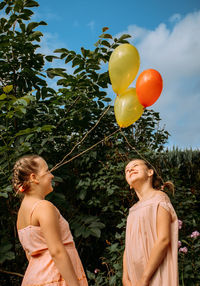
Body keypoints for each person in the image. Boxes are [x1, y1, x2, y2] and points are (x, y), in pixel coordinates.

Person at [13, 154, 88, 286]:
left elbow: (29, 254)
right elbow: (57, 251)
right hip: (55, 278)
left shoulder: (21, 215)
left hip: (35, 278)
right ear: (34, 177)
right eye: (47, 171)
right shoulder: (43, 207)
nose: (51, 175)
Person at [123, 159, 179, 286]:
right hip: (135, 276)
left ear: (150, 172)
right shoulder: (132, 210)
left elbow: (164, 239)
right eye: (127, 170)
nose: (130, 169)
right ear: (130, 185)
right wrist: (125, 277)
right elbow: (128, 246)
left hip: (153, 272)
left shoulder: (159, 198)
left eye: (135, 166)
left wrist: (145, 278)